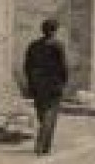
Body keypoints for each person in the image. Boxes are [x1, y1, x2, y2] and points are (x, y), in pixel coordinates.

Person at [22, 18, 69, 156]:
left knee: (42, 114)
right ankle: (42, 145)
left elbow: (27, 66)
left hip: (38, 84)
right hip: (53, 84)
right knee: (50, 115)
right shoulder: (57, 46)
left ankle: (45, 147)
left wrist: (31, 82)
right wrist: (64, 82)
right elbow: (63, 66)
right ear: (54, 31)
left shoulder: (33, 45)